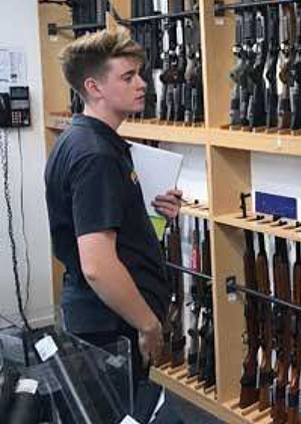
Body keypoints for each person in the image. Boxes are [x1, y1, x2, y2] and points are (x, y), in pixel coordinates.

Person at [44, 29, 184, 423]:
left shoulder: (84, 140)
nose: (142, 84)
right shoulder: (95, 155)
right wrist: (148, 324)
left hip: (100, 316)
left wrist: (150, 211)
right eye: (127, 77)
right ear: (94, 86)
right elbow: (97, 264)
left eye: (140, 74)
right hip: (111, 323)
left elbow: (108, 226)